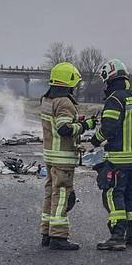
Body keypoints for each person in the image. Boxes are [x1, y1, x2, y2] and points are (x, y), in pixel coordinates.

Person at [84, 59, 132, 251]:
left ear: (110, 77)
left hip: (118, 159)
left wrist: (94, 141)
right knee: (131, 195)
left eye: (105, 81)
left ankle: (117, 236)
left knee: (113, 194)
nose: (104, 85)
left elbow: (108, 128)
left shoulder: (115, 99)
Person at [40, 62, 86, 250]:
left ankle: (46, 233)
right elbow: (63, 128)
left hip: (50, 155)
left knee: (50, 194)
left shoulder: (47, 99)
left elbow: (56, 123)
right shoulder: (64, 102)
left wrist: (75, 121)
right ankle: (58, 237)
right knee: (61, 196)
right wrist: (84, 126)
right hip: (63, 158)